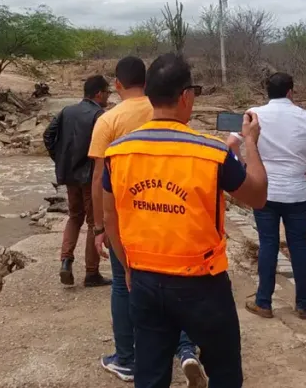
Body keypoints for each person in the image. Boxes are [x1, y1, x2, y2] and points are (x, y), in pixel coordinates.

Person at [102, 53, 269, 388]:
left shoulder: (118, 152)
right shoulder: (211, 152)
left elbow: (110, 217)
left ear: (150, 93)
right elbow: (258, 195)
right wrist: (250, 142)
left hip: (146, 281)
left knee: (150, 375)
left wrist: (129, 268)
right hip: (203, 284)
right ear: (186, 96)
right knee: (223, 372)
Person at [88, 56, 204, 384]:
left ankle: (126, 358)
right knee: (174, 282)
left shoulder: (109, 120)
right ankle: (185, 349)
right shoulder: (166, 109)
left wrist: (99, 228)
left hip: (126, 220)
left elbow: (99, 179)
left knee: (125, 289)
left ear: (117, 84)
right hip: (169, 209)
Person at [234, 72, 306, 320]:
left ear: (266, 92)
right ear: (291, 92)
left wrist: (246, 170)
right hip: (297, 193)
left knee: (268, 244)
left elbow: (231, 143)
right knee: (299, 246)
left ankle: (264, 302)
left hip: (266, 192)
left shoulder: (254, 114)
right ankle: (303, 305)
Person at [43, 74, 113, 287]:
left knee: (74, 217)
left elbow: (48, 136)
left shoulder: (66, 111)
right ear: (99, 93)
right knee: (93, 223)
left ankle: (66, 261)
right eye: (107, 93)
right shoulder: (99, 115)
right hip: (91, 176)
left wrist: (60, 159)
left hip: (69, 175)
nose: (109, 97)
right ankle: (91, 273)